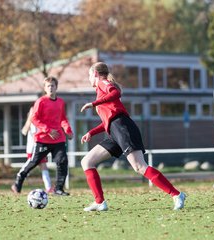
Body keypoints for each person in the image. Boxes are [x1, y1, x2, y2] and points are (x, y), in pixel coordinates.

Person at [79, 62, 186, 211]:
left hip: (123, 128)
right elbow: (107, 121)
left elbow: (116, 93)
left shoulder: (103, 83)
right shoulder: (100, 91)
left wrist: (93, 103)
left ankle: (177, 194)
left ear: (96, 74)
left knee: (140, 167)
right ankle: (99, 202)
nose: (89, 78)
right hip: (113, 132)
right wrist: (91, 132)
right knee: (87, 161)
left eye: (89, 75)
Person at [11, 76, 73, 196]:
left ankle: (58, 189)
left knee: (63, 161)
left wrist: (68, 130)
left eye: (53, 86)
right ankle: (18, 181)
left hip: (58, 139)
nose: (50, 88)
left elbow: (63, 119)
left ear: (56, 87)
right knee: (34, 162)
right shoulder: (41, 102)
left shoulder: (60, 102)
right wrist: (48, 130)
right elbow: (34, 118)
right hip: (43, 140)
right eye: (48, 86)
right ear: (45, 88)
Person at [21, 107, 53, 193]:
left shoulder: (41, 122)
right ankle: (18, 181)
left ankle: (49, 187)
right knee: (29, 168)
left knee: (43, 166)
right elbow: (24, 131)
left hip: (40, 147)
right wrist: (29, 119)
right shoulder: (31, 122)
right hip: (32, 149)